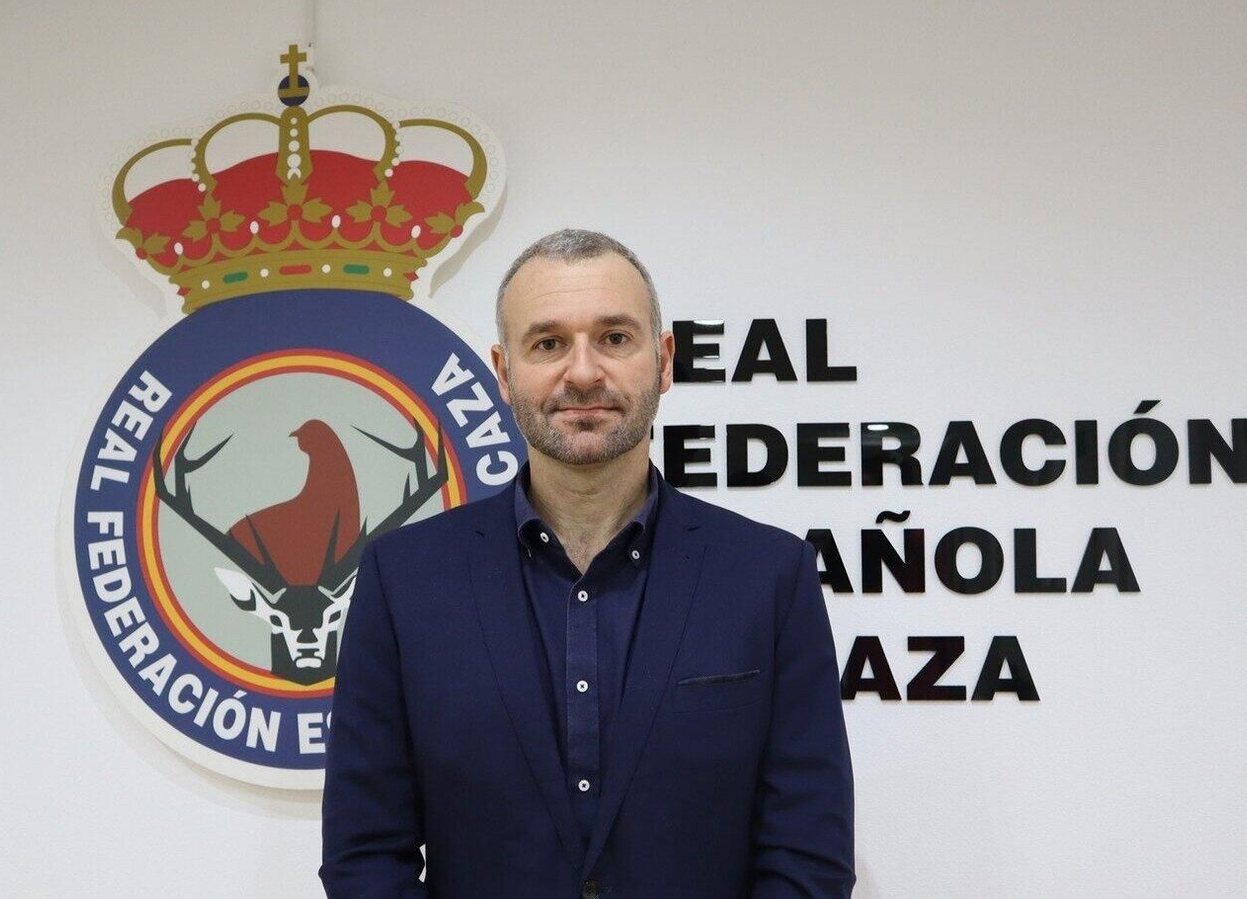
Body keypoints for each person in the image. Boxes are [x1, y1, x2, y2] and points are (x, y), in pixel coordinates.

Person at [320, 229, 855, 898]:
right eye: (547, 343)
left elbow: (809, 854)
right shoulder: (404, 581)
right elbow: (365, 853)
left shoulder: (771, 576)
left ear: (663, 360)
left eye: (614, 338)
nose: (582, 372)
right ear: (503, 370)